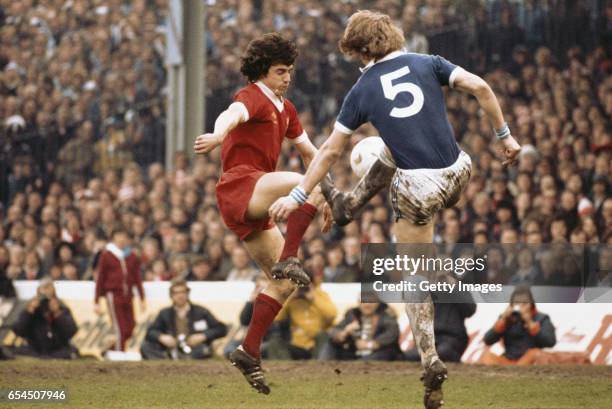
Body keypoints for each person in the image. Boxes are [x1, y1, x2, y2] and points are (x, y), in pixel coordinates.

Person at [268, 10, 521, 409]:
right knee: (388, 148)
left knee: (413, 275)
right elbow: (481, 87)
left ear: (363, 49)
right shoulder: (428, 62)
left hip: (419, 187)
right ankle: (349, 204)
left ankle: (430, 359)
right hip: (459, 170)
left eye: (353, 52)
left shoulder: (362, 90)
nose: (353, 60)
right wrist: (504, 137)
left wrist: (299, 196)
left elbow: (332, 151)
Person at [193, 32, 331, 394]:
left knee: (286, 283)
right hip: (242, 185)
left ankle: (248, 350)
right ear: (262, 72)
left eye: (290, 70)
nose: (288, 77)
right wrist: (218, 135)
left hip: (252, 201)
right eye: (281, 71)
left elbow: (310, 151)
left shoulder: (286, 109)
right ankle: (290, 257)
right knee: (306, 181)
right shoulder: (253, 96)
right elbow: (232, 114)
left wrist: (327, 193)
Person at [141, 279, 227, 360]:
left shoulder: (201, 311)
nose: (180, 296)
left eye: (183, 292)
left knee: (203, 349)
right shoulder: (165, 313)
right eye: (176, 293)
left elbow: (221, 329)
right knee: (146, 346)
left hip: (194, 348)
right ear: (171, 295)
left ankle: (178, 359)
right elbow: (150, 331)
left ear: (187, 293)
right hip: (171, 348)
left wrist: (203, 336)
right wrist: (162, 337)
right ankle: (171, 359)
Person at [94, 228, 146, 352]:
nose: (122, 239)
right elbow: (100, 277)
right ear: (113, 238)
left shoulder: (132, 256)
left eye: (124, 237)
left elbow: (137, 278)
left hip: (128, 296)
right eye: (119, 236)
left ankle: (110, 349)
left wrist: (141, 297)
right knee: (120, 328)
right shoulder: (107, 255)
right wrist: (96, 300)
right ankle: (119, 355)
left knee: (130, 327)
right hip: (113, 295)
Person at [482, 286, 556, 365]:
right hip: (508, 360)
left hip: (529, 360)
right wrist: (503, 320)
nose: (521, 307)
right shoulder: (507, 318)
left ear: (531, 304)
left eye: (524, 303)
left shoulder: (541, 318)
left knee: (537, 354)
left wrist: (529, 322)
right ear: (512, 304)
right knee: (488, 357)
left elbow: (550, 342)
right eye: (517, 303)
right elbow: (487, 340)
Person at [275, 272, 337, 360]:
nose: (302, 287)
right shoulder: (292, 299)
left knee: (322, 336)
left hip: (317, 342)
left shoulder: (321, 295)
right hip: (297, 344)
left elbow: (331, 315)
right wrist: (289, 297)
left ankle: (317, 366)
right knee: (276, 343)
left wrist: (314, 299)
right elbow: (276, 318)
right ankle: (287, 370)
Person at [12, 278, 78, 359]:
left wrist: (58, 313)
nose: (47, 292)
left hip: (58, 349)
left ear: (54, 291)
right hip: (35, 349)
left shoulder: (61, 307)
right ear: (38, 291)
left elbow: (71, 331)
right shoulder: (31, 306)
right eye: (44, 288)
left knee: (71, 352)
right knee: (17, 351)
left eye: (49, 288)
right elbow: (19, 330)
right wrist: (29, 312)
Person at [320, 301, 400, 361]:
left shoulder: (386, 316)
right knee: (331, 344)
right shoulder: (352, 315)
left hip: (378, 353)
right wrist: (345, 332)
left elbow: (392, 333)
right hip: (354, 354)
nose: (367, 305)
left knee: (388, 351)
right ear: (359, 303)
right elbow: (334, 331)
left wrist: (370, 344)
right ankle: (322, 366)